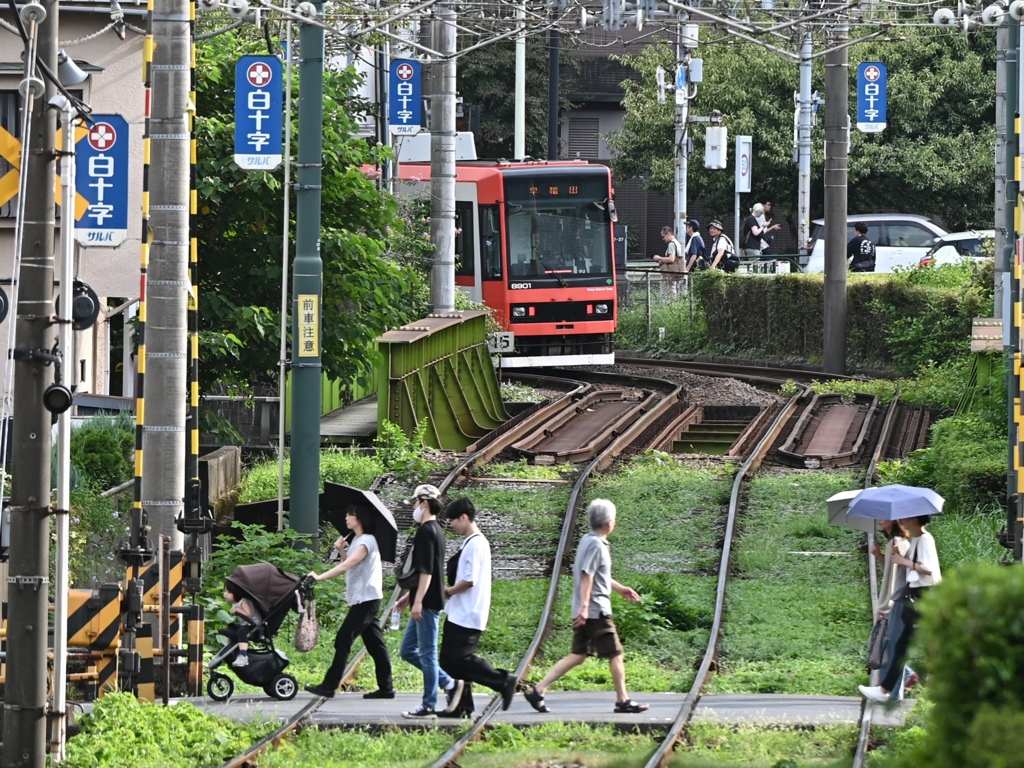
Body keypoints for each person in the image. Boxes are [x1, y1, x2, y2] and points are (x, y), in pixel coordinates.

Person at [522, 499, 648, 714]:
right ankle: (623, 700)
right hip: (595, 610)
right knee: (616, 653)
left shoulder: (588, 541)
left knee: (578, 655)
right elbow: (587, 575)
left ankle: (538, 691)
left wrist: (620, 588)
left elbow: (598, 575)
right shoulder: (597, 545)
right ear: (609, 523)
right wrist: (585, 607)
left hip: (589, 608)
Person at [437, 497, 519, 718]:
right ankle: (461, 707)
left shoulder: (475, 544)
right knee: (449, 661)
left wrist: (447, 591)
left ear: (464, 517)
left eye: (453, 520)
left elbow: (469, 580)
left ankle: (502, 681)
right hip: (460, 611)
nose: (451, 525)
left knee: (462, 659)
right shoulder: (472, 542)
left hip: (468, 612)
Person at [304, 505, 394, 700]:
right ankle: (386, 688)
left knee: (343, 639)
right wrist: (341, 550)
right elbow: (351, 564)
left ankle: (329, 686)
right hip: (363, 599)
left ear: (359, 518)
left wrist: (319, 577)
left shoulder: (367, 541)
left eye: (350, 514)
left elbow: (347, 566)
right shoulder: (357, 541)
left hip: (367, 599)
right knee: (376, 645)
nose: (347, 517)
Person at [397, 483, 464, 719]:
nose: (414, 507)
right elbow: (430, 570)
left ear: (424, 503)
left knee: (427, 653)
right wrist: (409, 597)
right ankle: (450, 684)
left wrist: (418, 602)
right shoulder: (436, 530)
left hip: (428, 601)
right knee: (407, 650)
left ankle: (428, 705)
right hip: (424, 597)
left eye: (415, 502)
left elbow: (426, 571)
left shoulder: (427, 531)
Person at [859, 515, 941, 703]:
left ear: (914, 519)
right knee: (902, 645)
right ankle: (889, 689)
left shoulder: (925, 539)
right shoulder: (916, 539)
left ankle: (895, 687)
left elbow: (928, 570)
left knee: (909, 645)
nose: (901, 520)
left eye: (905, 518)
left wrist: (902, 561)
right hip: (915, 596)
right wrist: (897, 558)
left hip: (924, 595)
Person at [223, 582, 260, 668]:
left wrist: (237, 609)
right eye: (225, 591)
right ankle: (230, 650)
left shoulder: (243, 601)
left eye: (228, 592)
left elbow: (248, 614)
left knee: (241, 631)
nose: (225, 594)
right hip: (246, 624)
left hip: (254, 625)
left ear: (236, 593)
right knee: (231, 627)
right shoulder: (235, 604)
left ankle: (243, 656)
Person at [652, 226, 686, 292]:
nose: (663, 239)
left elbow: (671, 259)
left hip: (671, 272)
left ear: (668, 234)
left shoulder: (671, 244)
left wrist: (659, 258)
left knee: (668, 291)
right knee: (674, 289)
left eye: (663, 236)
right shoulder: (677, 242)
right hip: (678, 270)